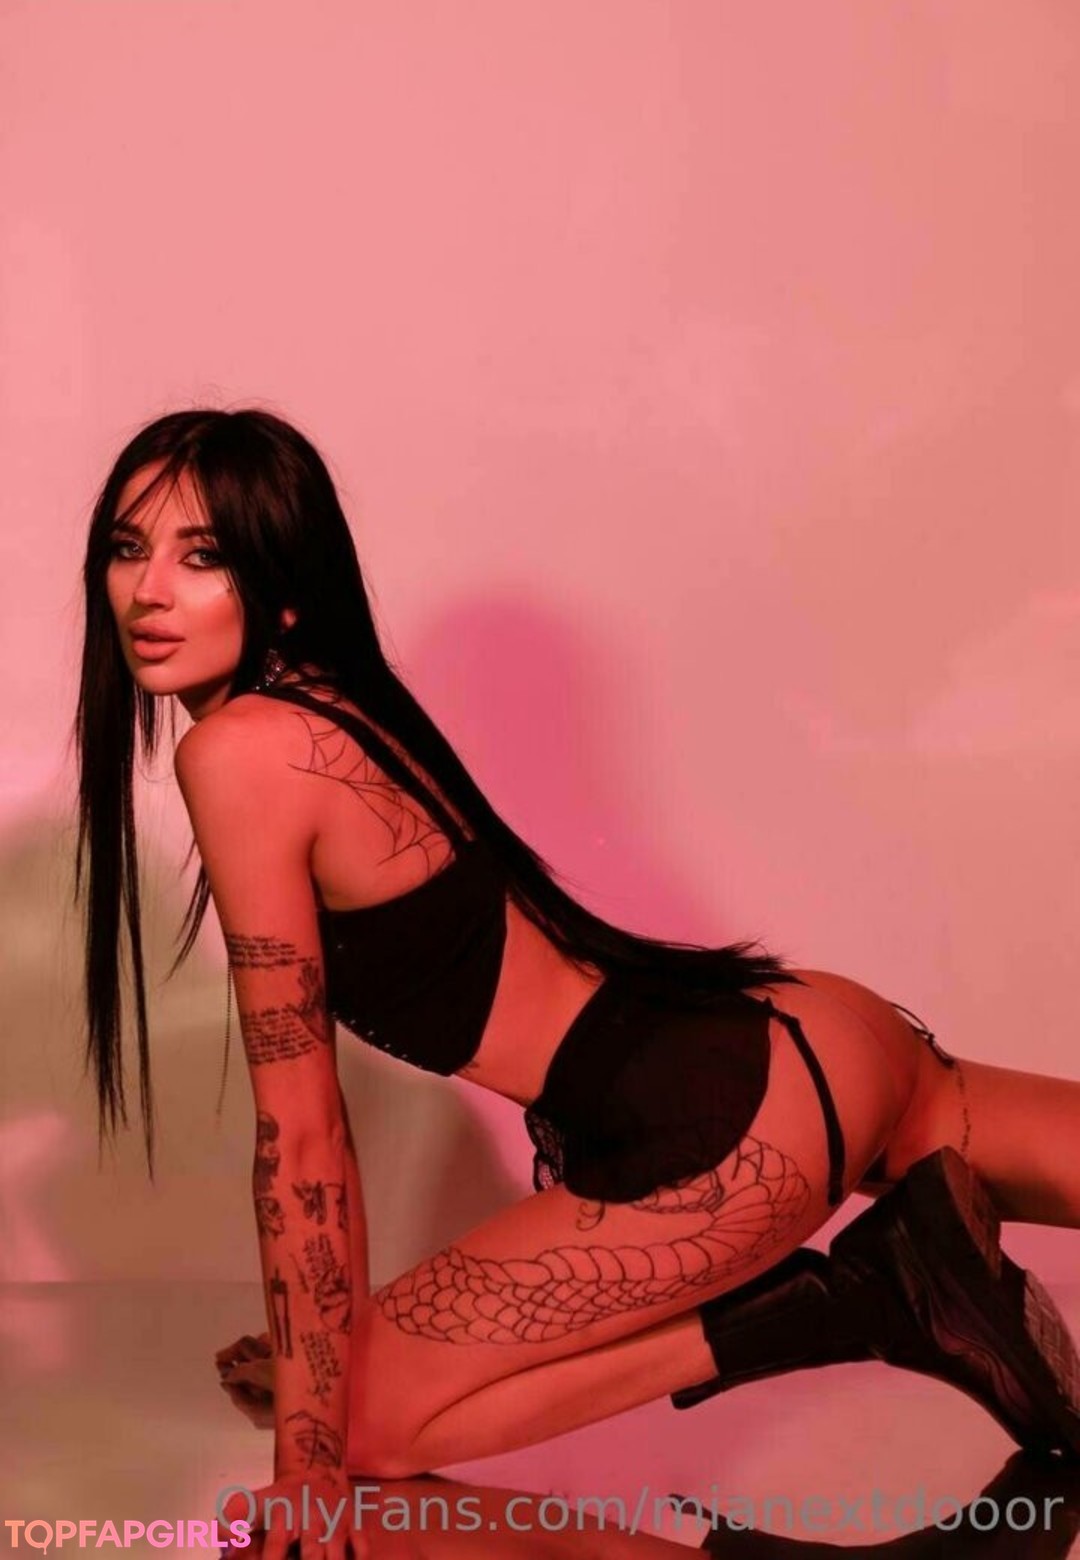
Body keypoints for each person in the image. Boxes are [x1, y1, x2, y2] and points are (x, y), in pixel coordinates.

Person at [74, 409, 1080, 1555]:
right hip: (812, 1034)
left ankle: (863, 1298)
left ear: (282, 587)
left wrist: (311, 1455)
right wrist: (326, 1359)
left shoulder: (241, 750)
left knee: (365, 1423)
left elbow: (301, 1139)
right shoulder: (336, 704)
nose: (149, 590)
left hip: (725, 1122)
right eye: (127, 547)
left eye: (202, 555)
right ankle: (886, 1280)